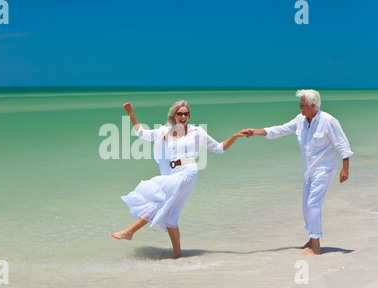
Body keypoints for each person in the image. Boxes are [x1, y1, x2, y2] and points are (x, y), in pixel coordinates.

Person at [111, 100, 249, 258]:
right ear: (174, 115)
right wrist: (131, 114)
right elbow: (141, 133)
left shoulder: (197, 132)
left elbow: (219, 148)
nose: (183, 116)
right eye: (180, 113)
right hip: (174, 173)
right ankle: (177, 254)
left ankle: (129, 232)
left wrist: (236, 136)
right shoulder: (164, 132)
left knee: (159, 198)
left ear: (189, 115)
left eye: (186, 113)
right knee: (171, 215)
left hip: (188, 171)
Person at [246, 89, 353, 255]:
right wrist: (256, 132)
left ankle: (316, 246)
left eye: (302, 104)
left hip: (324, 169)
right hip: (308, 171)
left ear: (312, 105)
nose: (299, 107)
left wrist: (345, 169)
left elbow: (342, 144)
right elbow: (280, 130)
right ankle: (311, 238)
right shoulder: (300, 120)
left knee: (313, 204)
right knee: (305, 207)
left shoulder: (329, 121)